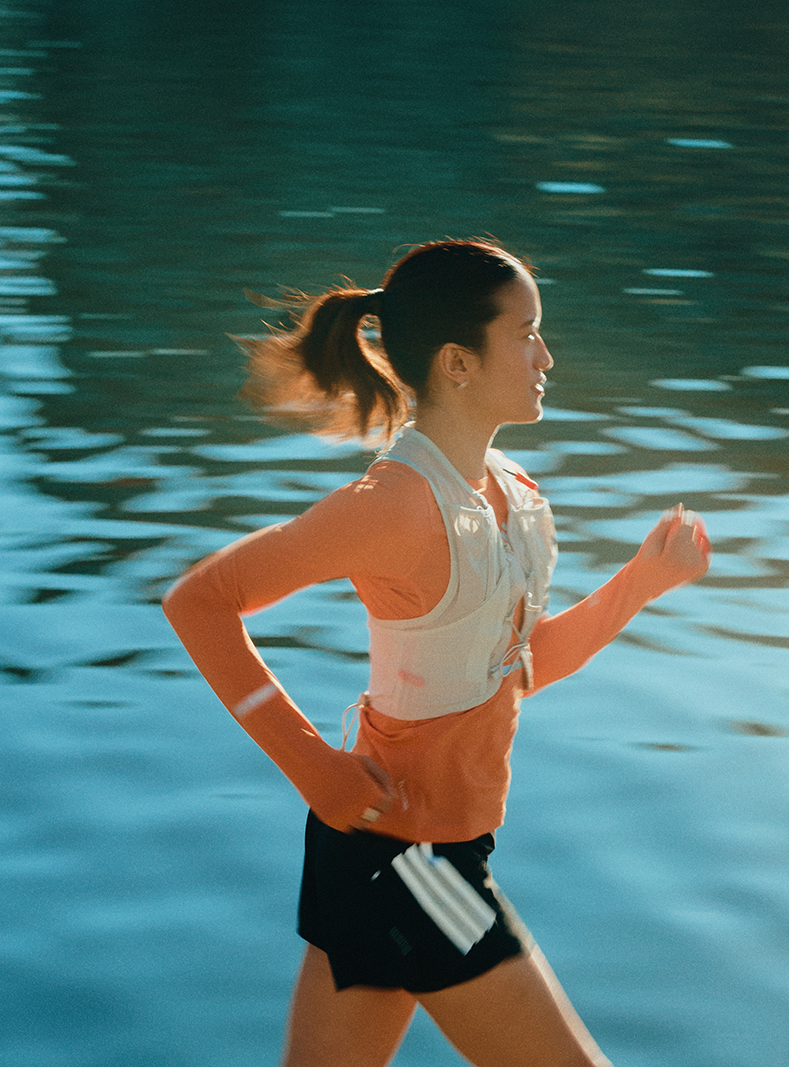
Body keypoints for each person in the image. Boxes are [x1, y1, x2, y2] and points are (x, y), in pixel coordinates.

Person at [162, 239, 711, 1067]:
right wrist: (314, 765)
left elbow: (520, 669)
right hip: (411, 863)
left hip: (415, 850)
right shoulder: (390, 506)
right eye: (525, 333)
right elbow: (199, 601)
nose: (545, 355)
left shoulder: (512, 496)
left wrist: (639, 582)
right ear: (458, 361)